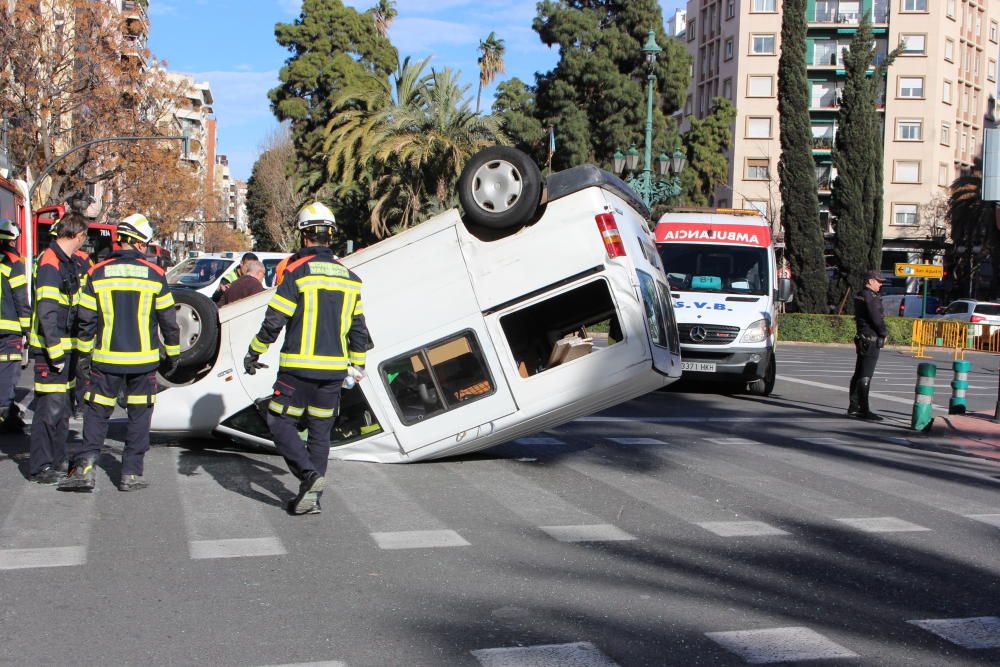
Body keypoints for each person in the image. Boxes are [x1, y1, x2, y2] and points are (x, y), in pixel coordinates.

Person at [243, 202, 369, 515]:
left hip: (297, 370)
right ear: (331, 236)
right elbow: (359, 330)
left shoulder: (297, 273)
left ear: (304, 237)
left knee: (279, 420)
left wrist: (254, 351)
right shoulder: (350, 279)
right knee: (320, 433)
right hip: (333, 374)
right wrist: (358, 366)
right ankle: (311, 497)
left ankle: (308, 476)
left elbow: (275, 320)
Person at [59, 214, 181, 492]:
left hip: (105, 361)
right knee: (139, 416)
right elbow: (169, 322)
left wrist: (84, 357)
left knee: (97, 414)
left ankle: (86, 468)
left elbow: (85, 321)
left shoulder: (96, 272)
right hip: (144, 363)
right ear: (139, 244)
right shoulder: (156, 274)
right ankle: (131, 474)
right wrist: (173, 356)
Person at [27, 213, 89, 484]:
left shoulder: (68, 262)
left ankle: (57, 459)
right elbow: (47, 310)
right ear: (78, 235)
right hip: (51, 352)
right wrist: (55, 352)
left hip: (65, 350)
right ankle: (41, 466)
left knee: (61, 410)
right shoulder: (51, 262)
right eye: (84, 238)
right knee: (48, 411)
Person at [0, 219, 30, 428]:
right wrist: (27, 328)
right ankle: (4, 415)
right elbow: (21, 298)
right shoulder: (13, 261)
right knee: (7, 371)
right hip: (8, 328)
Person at [848, 270, 888, 421]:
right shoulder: (870, 297)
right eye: (878, 281)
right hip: (870, 338)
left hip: (863, 337)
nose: (880, 284)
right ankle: (863, 409)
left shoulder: (860, 294)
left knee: (859, 372)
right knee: (866, 374)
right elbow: (876, 317)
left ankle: (854, 406)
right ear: (870, 281)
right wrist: (883, 332)